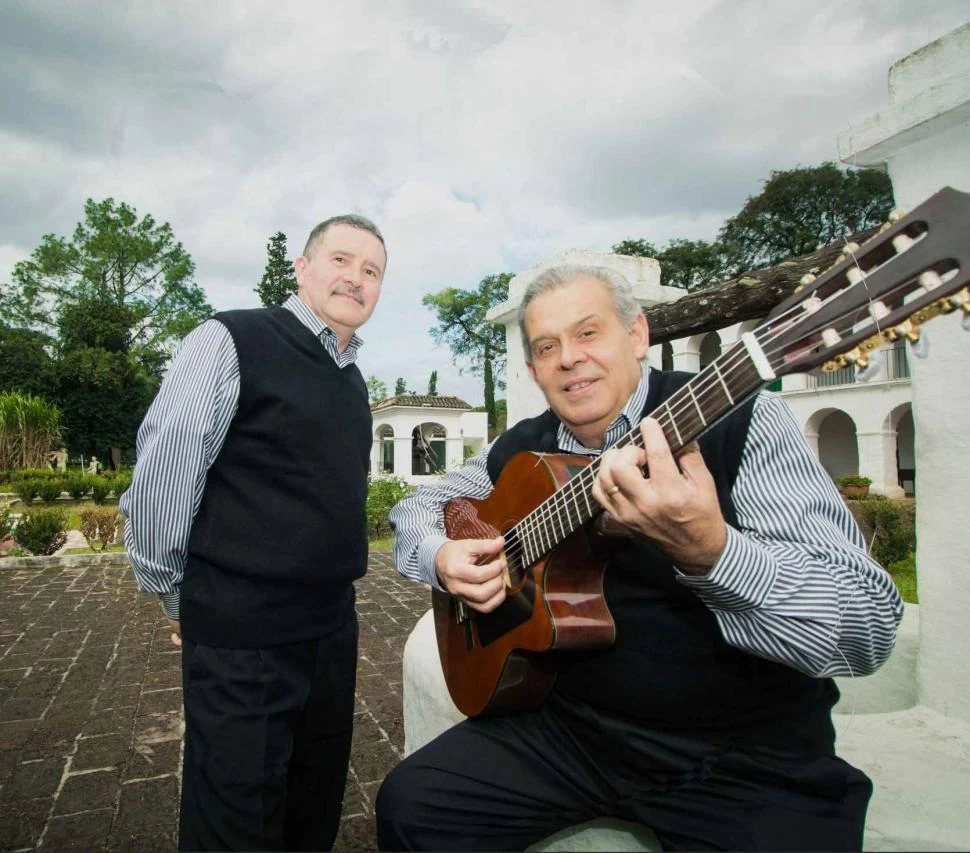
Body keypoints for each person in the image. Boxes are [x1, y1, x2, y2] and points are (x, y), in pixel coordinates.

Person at [377, 264, 903, 852]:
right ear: (531, 370)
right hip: (569, 731)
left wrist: (711, 552)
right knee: (411, 808)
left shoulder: (744, 419)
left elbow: (867, 629)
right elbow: (422, 506)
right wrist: (440, 553)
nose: (569, 358)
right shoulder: (522, 445)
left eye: (588, 333)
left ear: (637, 336)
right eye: (547, 347)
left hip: (747, 756)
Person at [120, 214, 387, 851]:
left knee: (312, 803)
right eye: (342, 260)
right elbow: (166, 467)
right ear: (303, 267)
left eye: (372, 271)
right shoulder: (232, 338)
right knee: (236, 817)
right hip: (243, 634)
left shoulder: (352, 383)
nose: (355, 278)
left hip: (330, 630)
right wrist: (180, 594)